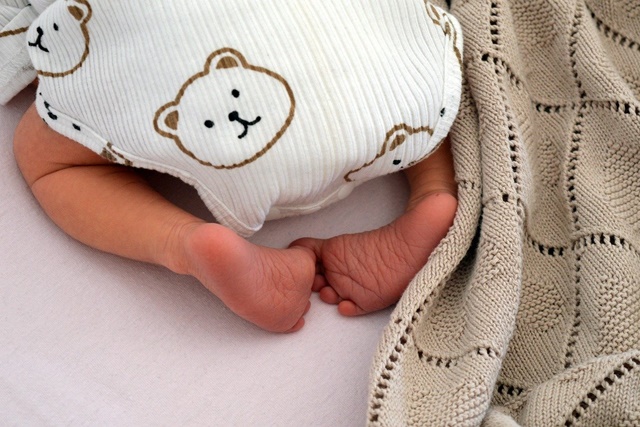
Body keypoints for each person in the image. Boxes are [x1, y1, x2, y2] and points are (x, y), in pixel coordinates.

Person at [9, 0, 460, 333]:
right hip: (362, 83)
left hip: (189, 103)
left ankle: (182, 241)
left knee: (48, 157)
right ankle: (433, 191)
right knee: (416, 62)